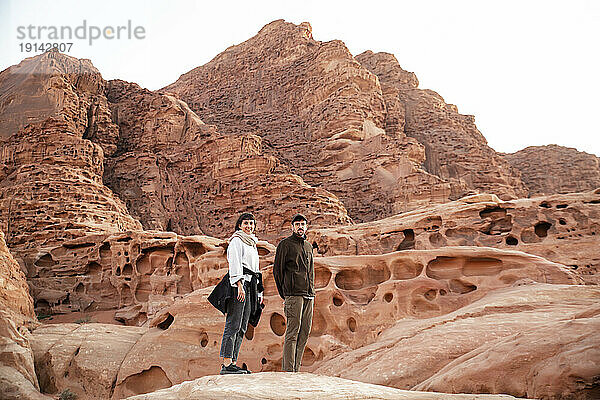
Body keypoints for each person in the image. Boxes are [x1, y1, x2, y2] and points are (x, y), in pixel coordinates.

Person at [216, 212, 261, 375]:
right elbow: (235, 264)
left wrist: (258, 291)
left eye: (251, 223)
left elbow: (255, 269)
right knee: (233, 323)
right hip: (239, 285)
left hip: (250, 285)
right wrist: (239, 285)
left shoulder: (251, 243)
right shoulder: (236, 241)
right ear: (239, 225)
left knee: (243, 325)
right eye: (245, 223)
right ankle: (227, 363)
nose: (249, 226)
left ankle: (233, 362)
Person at [273, 213, 315, 372]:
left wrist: (312, 290)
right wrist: (285, 293)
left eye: (303, 224)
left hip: (309, 295)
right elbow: (277, 271)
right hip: (293, 295)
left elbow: (311, 270)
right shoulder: (285, 245)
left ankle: (296, 369)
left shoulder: (308, 246)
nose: (300, 227)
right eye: (297, 224)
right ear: (292, 227)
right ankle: (288, 370)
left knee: (304, 332)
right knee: (292, 332)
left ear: (306, 227)